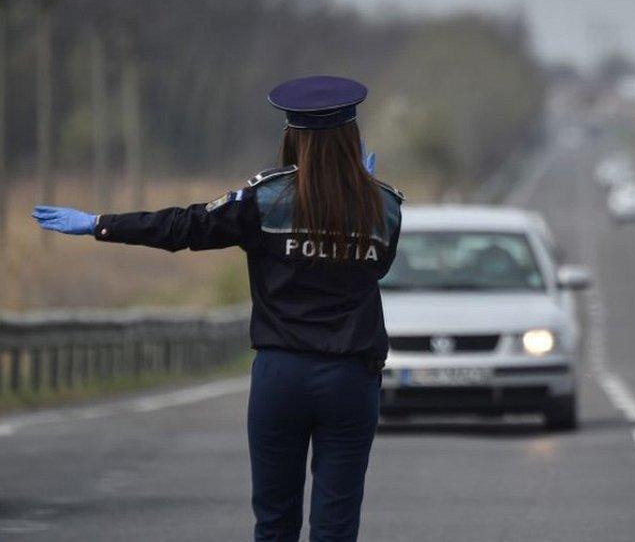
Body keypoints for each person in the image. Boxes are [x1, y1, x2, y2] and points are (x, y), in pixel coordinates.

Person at [32, 75, 404, 542]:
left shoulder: (265, 199)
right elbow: (378, 269)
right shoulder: (386, 205)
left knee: (274, 523)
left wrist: (100, 225)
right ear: (353, 138)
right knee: (336, 526)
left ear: (292, 136)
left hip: (281, 374)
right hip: (351, 379)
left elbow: (185, 227)